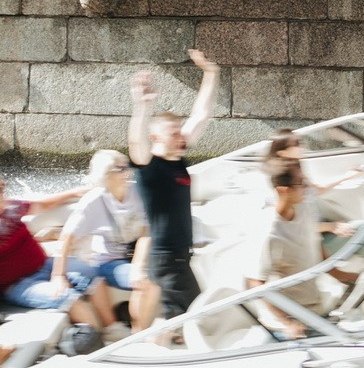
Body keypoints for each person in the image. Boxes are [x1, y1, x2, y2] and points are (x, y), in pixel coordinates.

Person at [128, 49, 221, 318]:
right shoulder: (150, 166)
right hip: (166, 259)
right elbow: (137, 143)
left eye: (181, 132)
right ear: (156, 137)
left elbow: (201, 114)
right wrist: (142, 106)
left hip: (181, 255)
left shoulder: (176, 159)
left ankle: (162, 339)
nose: (181, 137)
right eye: (173, 133)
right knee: (196, 315)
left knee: (184, 315)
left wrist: (211, 73)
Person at [0, 172, 123, 340]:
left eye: (1, 192)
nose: (2, 198)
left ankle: (113, 330)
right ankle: (95, 341)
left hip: (44, 264)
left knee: (91, 273)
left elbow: (41, 205)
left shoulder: (12, 208)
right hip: (16, 285)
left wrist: (73, 193)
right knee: (65, 296)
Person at [53, 150, 160, 334]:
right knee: (147, 281)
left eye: (128, 166)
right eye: (121, 168)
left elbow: (146, 231)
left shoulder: (136, 192)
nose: (128, 172)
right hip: (110, 262)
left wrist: (138, 265)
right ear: (106, 175)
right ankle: (138, 335)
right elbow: (67, 237)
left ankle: (152, 325)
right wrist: (58, 276)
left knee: (161, 271)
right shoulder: (93, 202)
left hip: (138, 255)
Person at [247, 161, 357, 338]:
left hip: (314, 310)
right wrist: (287, 323)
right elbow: (255, 284)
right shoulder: (268, 233)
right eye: (301, 183)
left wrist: (341, 275)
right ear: (284, 190)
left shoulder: (303, 208)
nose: (307, 187)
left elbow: (313, 242)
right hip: (288, 326)